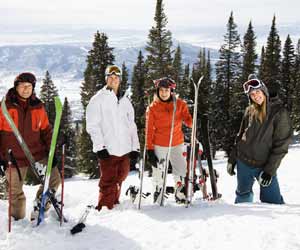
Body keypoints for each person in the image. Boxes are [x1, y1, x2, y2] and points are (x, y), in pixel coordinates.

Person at [0, 72, 61, 220]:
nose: (26, 89)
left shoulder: (38, 107)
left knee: (53, 179)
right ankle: (17, 222)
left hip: (37, 153)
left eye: (29, 86)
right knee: (15, 193)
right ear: (16, 87)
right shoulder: (5, 107)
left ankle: (39, 207)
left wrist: (53, 150)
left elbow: (46, 130)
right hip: (12, 157)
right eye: (22, 86)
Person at [227, 74, 292, 204]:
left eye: (257, 92)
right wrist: (233, 158)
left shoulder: (279, 112)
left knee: (273, 202)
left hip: (264, 165)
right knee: (242, 197)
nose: (256, 96)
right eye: (252, 94)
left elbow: (281, 145)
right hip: (243, 162)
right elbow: (240, 136)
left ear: (264, 90)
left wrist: (269, 171)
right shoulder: (249, 110)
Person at [86, 65, 140, 210]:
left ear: (120, 80)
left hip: (125, 150)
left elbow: (132, 126)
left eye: (116, 77)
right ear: (106, 79)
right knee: (108, 180)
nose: (113, 80)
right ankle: (104, 208)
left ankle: (114, 204)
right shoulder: (98, 100)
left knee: (121, 177)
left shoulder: (125, 101)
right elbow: (92, 126)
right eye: (111, 77)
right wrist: (99, 147)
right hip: (108, 150)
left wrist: (135, 147)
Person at [146, 77, 193, 203]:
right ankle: (158, 193)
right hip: (160, 144)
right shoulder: (152, 108)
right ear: (157, 91)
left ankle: (181, 192)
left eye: (166, 90)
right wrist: (150, 149)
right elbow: (149, 130)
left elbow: (187, 119)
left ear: (171, 91)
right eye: (161, 90)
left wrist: (192, 122)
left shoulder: (180, 104)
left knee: (181, 169)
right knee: (158, 170)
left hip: (176, 143)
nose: (164, 93)